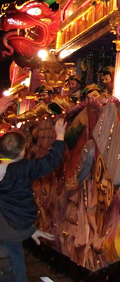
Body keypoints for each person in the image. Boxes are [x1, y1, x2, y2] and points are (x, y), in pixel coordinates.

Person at [0, 118, 66, 282]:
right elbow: (51, 161)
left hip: (7, 223)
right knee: (16, 266)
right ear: (22, 152)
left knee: (12, 259)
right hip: (17, 224)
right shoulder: (25, 169)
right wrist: (60, 137)